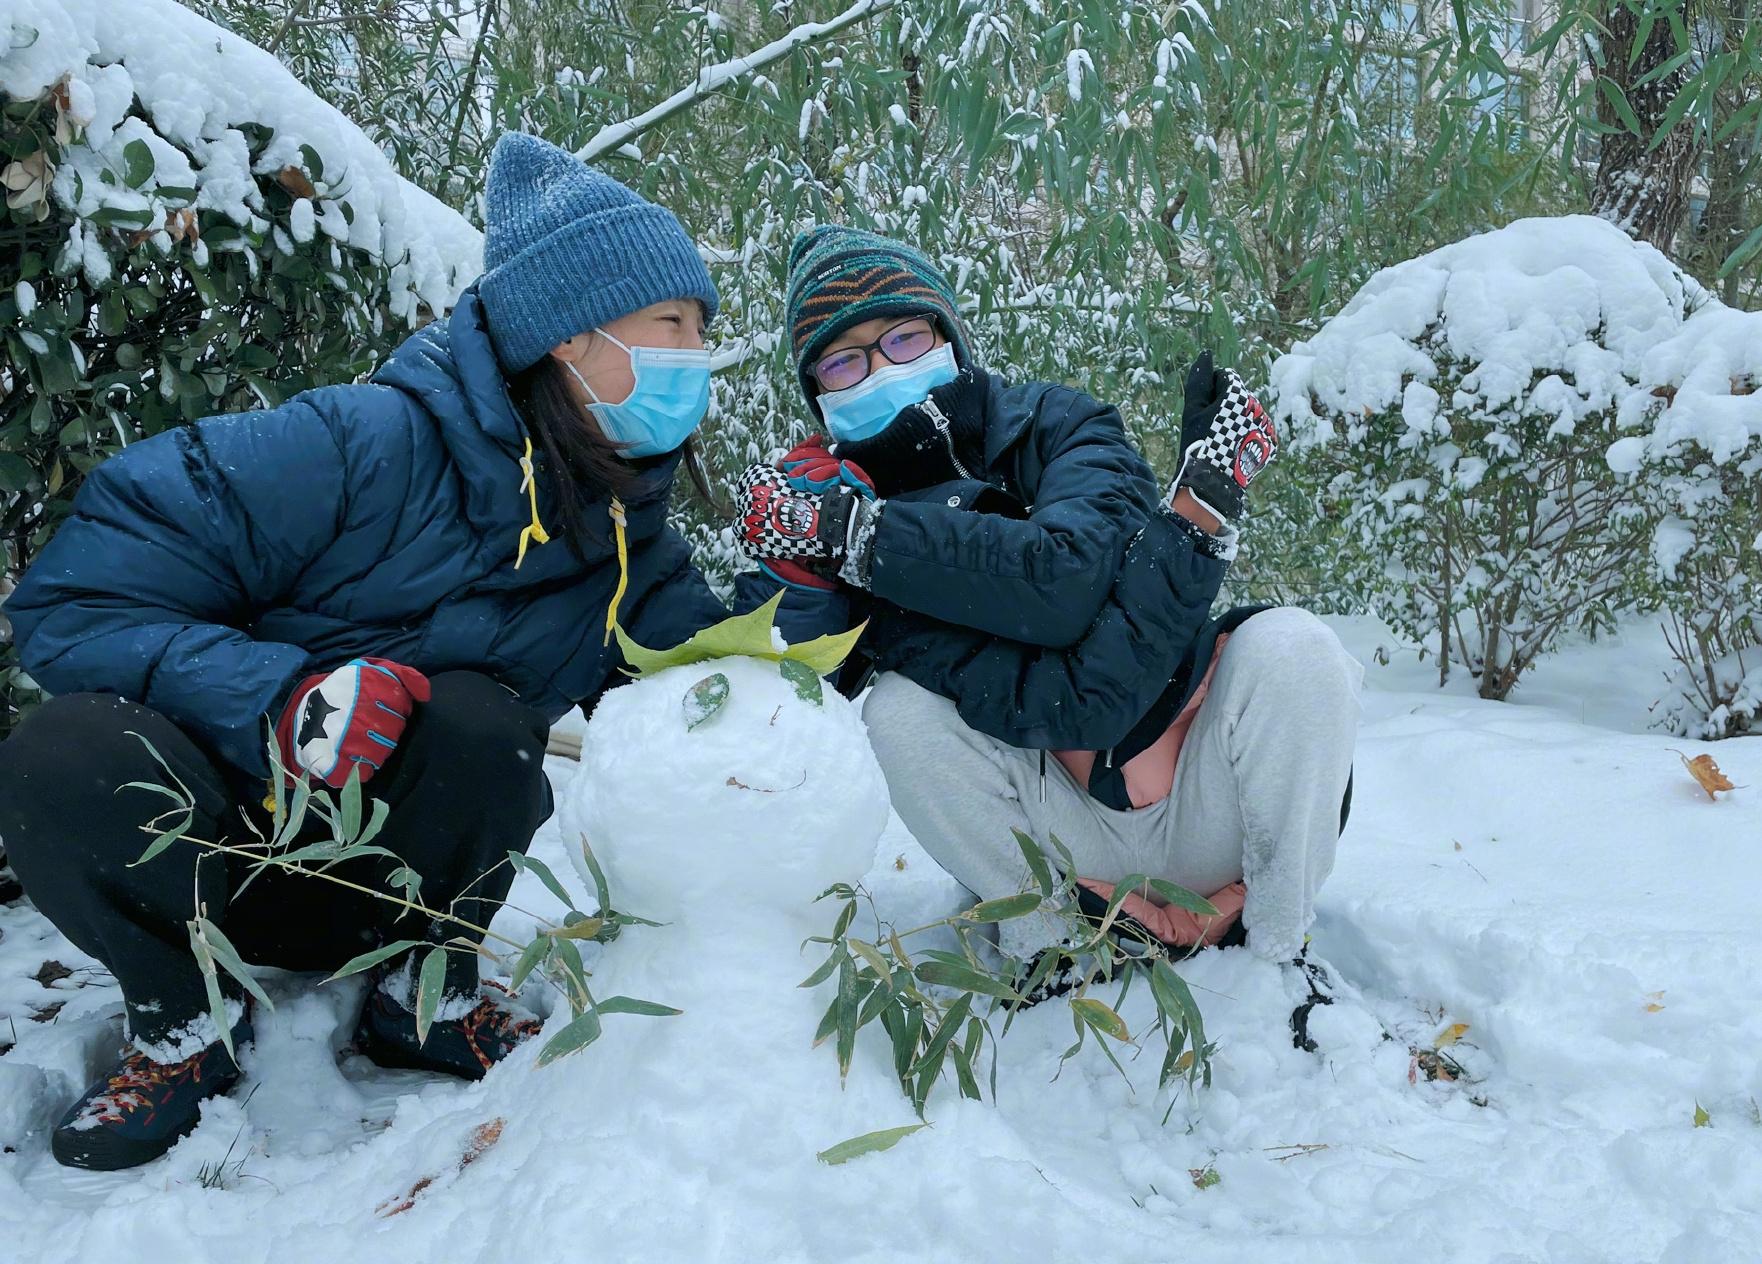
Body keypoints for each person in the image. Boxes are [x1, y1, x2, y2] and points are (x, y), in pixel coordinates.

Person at [0, 133, 845, 1171]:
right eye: (673, 323)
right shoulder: (353, 446)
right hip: (209, 857)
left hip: (382, 891)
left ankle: (423, 996)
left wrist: (813, 568)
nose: (696, 354)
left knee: (484, 722)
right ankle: (183, 1020)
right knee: (64, 751)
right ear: (567, 337)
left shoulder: (625, 541)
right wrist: (280, 698)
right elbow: (76, 596)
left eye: (701, 329)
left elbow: (726, 687)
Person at [734, 225, 1361, 1034]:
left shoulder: (1060, 424)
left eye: (903, 337)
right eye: (844, 361)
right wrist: (795, 561)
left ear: (948, 337)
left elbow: (1064, 581)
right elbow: (799, 687)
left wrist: (864, 539)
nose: (882, 369)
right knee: (899, 711)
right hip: (1056, 840)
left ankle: (1279, 949)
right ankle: (1051, 949)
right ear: (818, 393)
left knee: (1295, 648)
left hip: (1204, 801)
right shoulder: (831, 500)